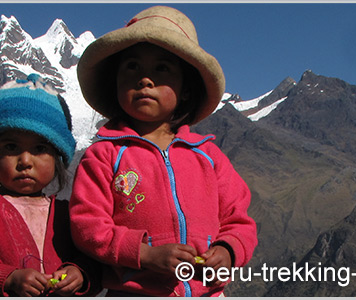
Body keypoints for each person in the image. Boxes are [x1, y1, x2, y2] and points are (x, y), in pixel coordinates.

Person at [70, 6, 258, 297]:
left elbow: (239, 220)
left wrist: (227, 250)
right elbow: (88, 225)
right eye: (132, 67)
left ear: (185, 89)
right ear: (115, 83)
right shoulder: (104, 155)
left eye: (162, 69)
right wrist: (144, 254)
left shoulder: (208, 157)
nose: (145, 79)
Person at [0, 74, 99, 297]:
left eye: (39, 149)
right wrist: (6, 277)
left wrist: (80, 274)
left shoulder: (68, 215)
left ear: (57, 158)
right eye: (11, 147)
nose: (25, 161)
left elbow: (93, 258)